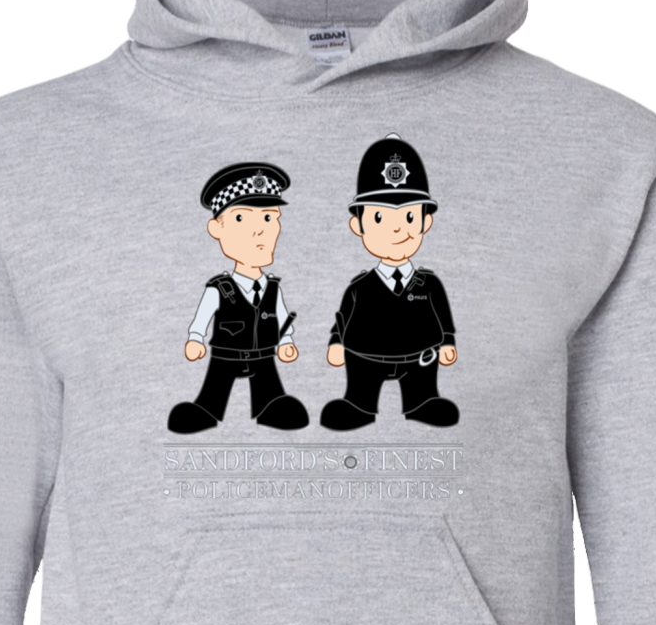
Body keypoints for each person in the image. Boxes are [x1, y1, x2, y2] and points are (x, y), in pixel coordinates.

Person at [321, 134, 459, 430]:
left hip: (419, 357)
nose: (397, 228)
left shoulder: (429, 284)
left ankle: (422, 400)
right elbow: (343, 317)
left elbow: (443, 316)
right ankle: (359, 404)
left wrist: (447, 341)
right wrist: (336, 342)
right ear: (358, 225)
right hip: (365, 356)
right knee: (360, 386)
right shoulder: (359, 287)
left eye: (409, 216)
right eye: (380, 218)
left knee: (423, 389)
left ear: (425, 222)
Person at [168, 162, 309, 434]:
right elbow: (203, 317)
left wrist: (286, 342)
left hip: (263, 354)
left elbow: (282, 318)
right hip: (226, 353)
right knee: (214, 389)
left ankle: (270, 405)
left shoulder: (273, 288)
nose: (259, 231)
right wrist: (195, 339)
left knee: (270, 388)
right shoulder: (218, 288)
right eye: (242, 218)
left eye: (268, 218)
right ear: (216, 228)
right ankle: (206, 409)